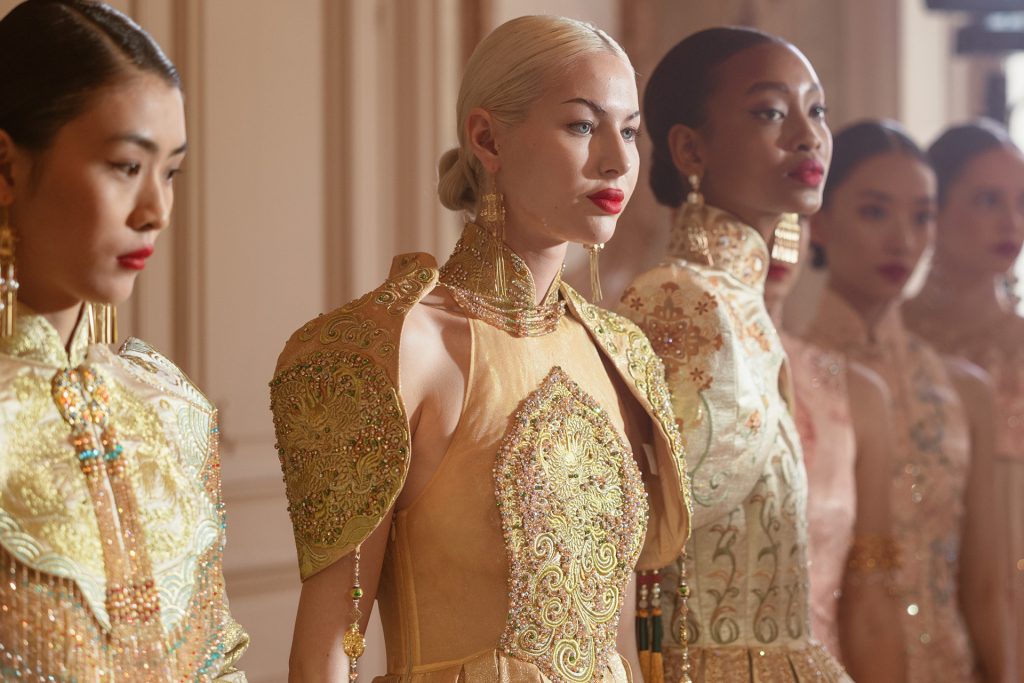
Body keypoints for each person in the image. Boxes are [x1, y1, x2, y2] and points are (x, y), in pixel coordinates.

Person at [271, 15, 690, 683]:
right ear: (487, 138)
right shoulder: (393, 349)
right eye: (583, 126)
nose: (617, 159)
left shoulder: (621, 353)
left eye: (630, 131)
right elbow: (324, 651)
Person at [0, 0, 248, 679]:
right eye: (125, 166)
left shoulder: (171, 408)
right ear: (8, 170)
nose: (157, 211)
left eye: (170, 172)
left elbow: (215, 659)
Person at [619, 27, 848, 681]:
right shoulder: (681, 298)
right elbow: (643, 531)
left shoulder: (737, 303)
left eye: (816, 110)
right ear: (690, 148)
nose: (808, 136)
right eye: (771, 112)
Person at [807, 119, 1009, 681]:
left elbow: (987, 586)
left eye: (921, 217)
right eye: (875, 212)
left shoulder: (963, 390)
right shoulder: (791, 379)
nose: (903, 240)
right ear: (819, 221)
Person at [904, 118, 1024, 681]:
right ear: (936, 208)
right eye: (988, 200)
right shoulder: (891, 340)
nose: (1011, 222)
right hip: (922, 592)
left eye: (1020, 202)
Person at [763, 224, 905, 680]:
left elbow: (870, 602)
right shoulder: (643, 367)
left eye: (795, 215)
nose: (780, 235)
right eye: (760, 212)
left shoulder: (854, 393)